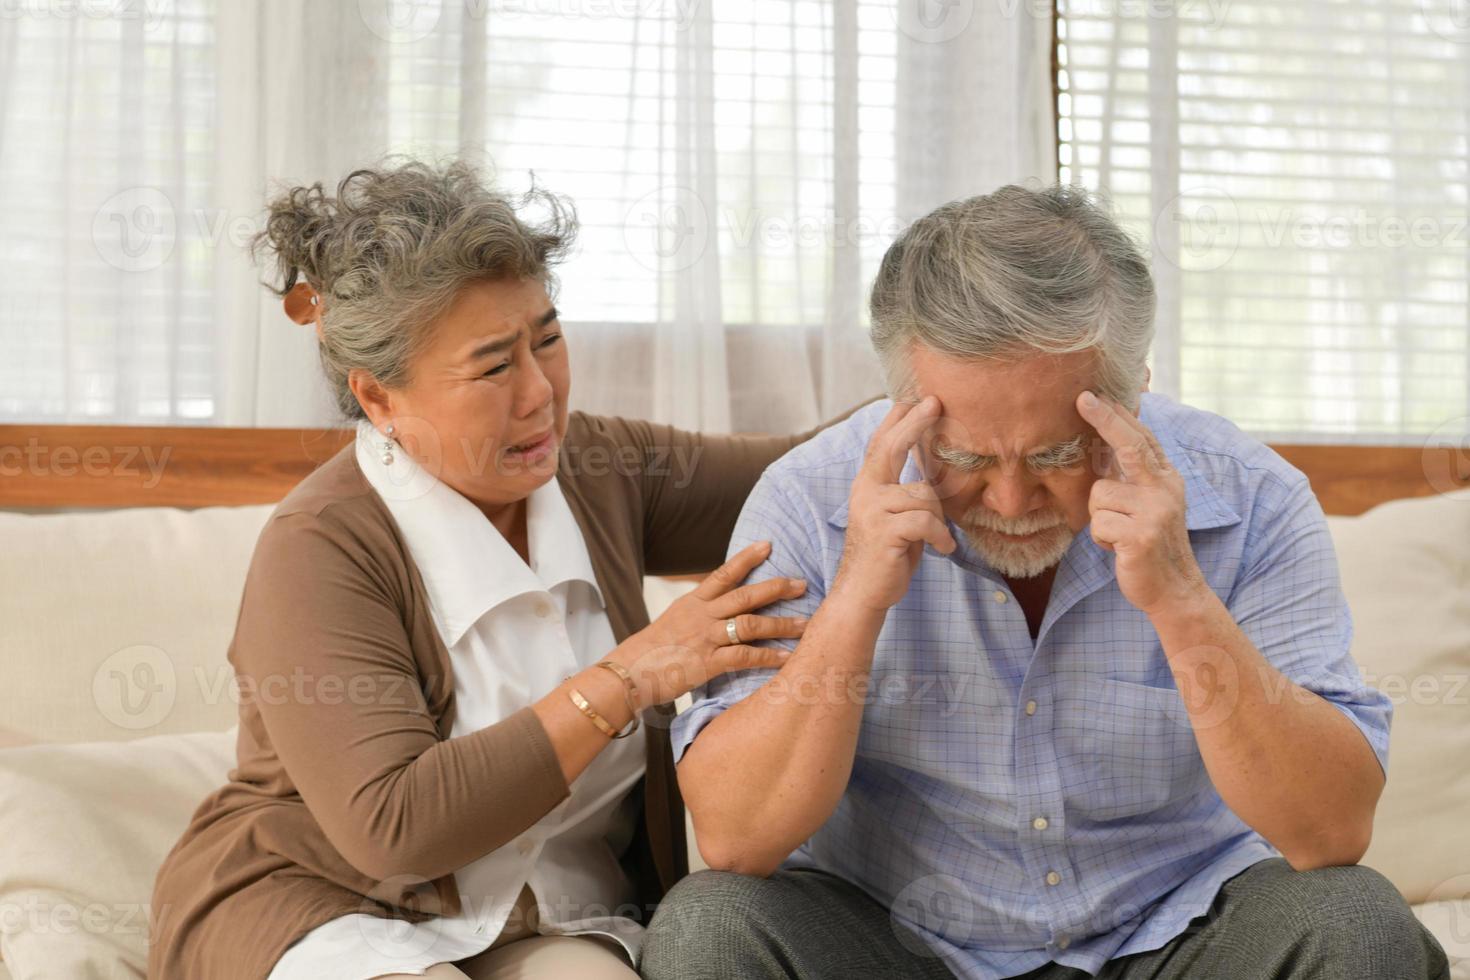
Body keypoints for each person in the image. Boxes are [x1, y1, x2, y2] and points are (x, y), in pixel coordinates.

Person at [644, 185, 1451, 979]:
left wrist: (1181, 600)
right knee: (711, 929)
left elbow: (1331, 832)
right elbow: (738, 840)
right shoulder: (806, 500)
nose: (1009, 500)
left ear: (1133, 390)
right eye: (962, 458)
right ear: (901, 401)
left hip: (1181, 931)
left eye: (1059, 453)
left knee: (1357, 925)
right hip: (898, 939)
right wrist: (856, 597)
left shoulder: (1254, 499)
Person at [148, 160, 845, 979]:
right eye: (491, 367)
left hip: (557, 916)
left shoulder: (601, 466)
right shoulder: (321, 545)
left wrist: (955, 379)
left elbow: (808, 474)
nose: (539, 394)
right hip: (329, 905)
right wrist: (630, 674)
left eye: (546, 339)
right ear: (379, 400)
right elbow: (394, 824)